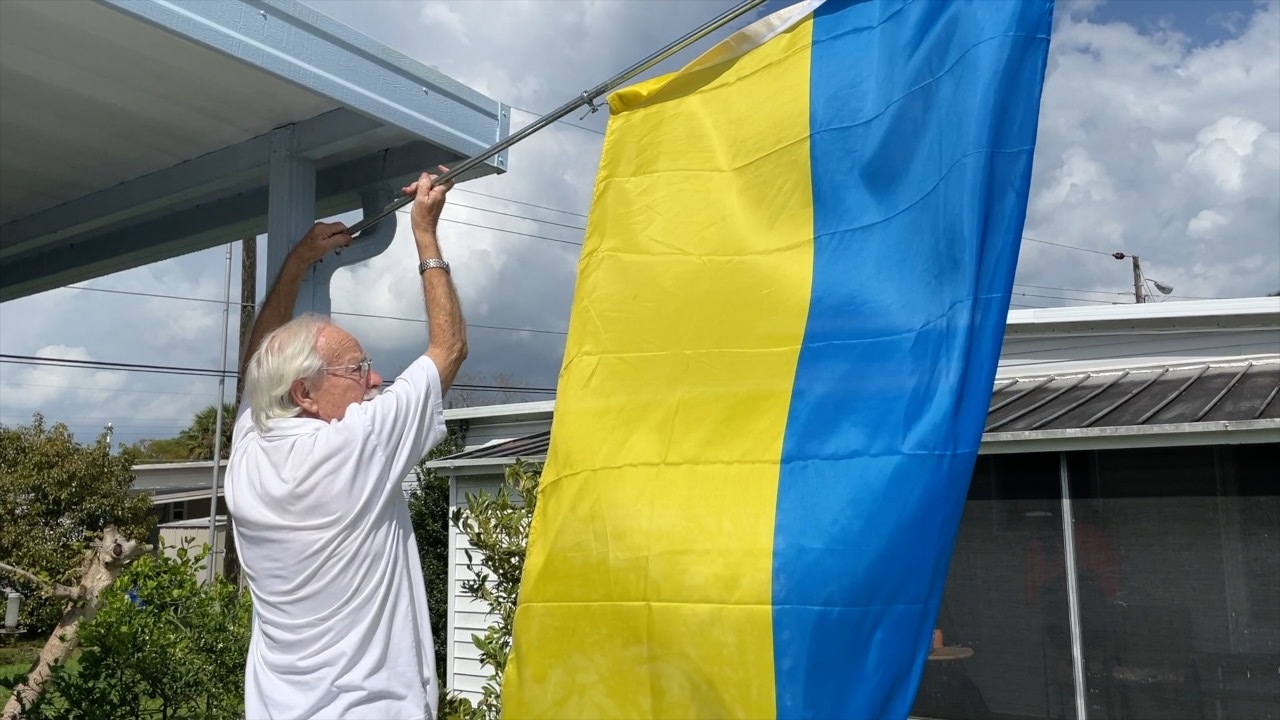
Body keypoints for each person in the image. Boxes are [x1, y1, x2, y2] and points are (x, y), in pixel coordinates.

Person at [224, 166, 466, 720]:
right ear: (305, 393)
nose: (375, 380)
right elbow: (447, 350)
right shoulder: (350, 448)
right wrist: (425, 235)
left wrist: (295, 263)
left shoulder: (250, 450)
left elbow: (258, 366)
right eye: (359, 369)